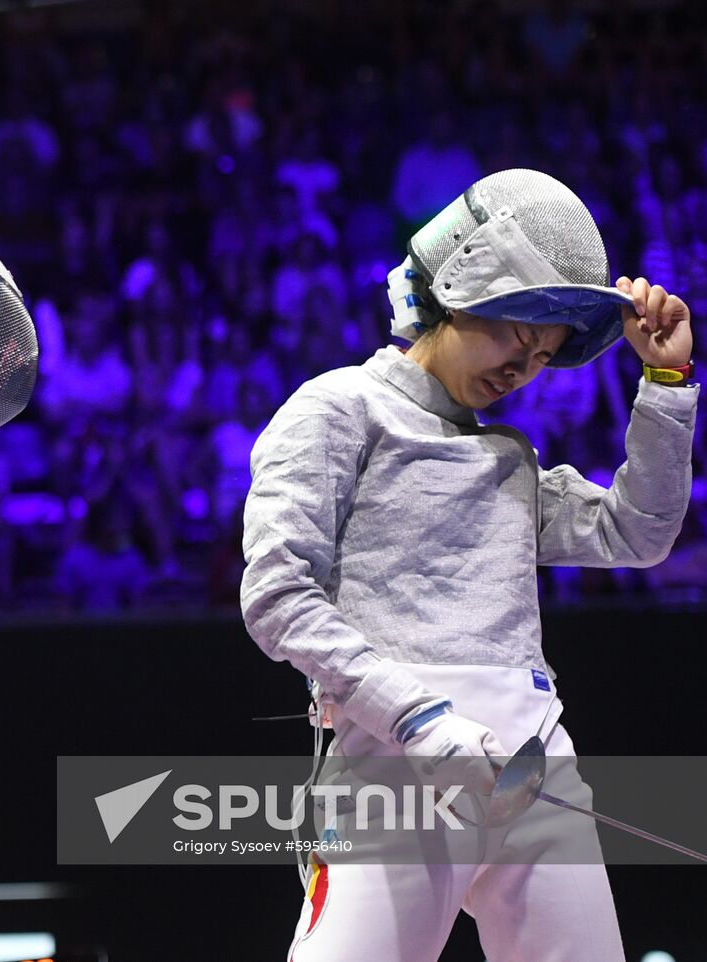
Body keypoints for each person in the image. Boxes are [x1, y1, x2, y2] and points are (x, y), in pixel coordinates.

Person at [240, 169, 696, 962]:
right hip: (397, 761)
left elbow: (638, 533)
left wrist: (664, 383)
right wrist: (419, 718)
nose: (522, 367)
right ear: (457, 292)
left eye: (544, 354)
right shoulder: (337, 407)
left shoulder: (510, 459)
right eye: (516, 335)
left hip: (532, 757)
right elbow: (277, 594)